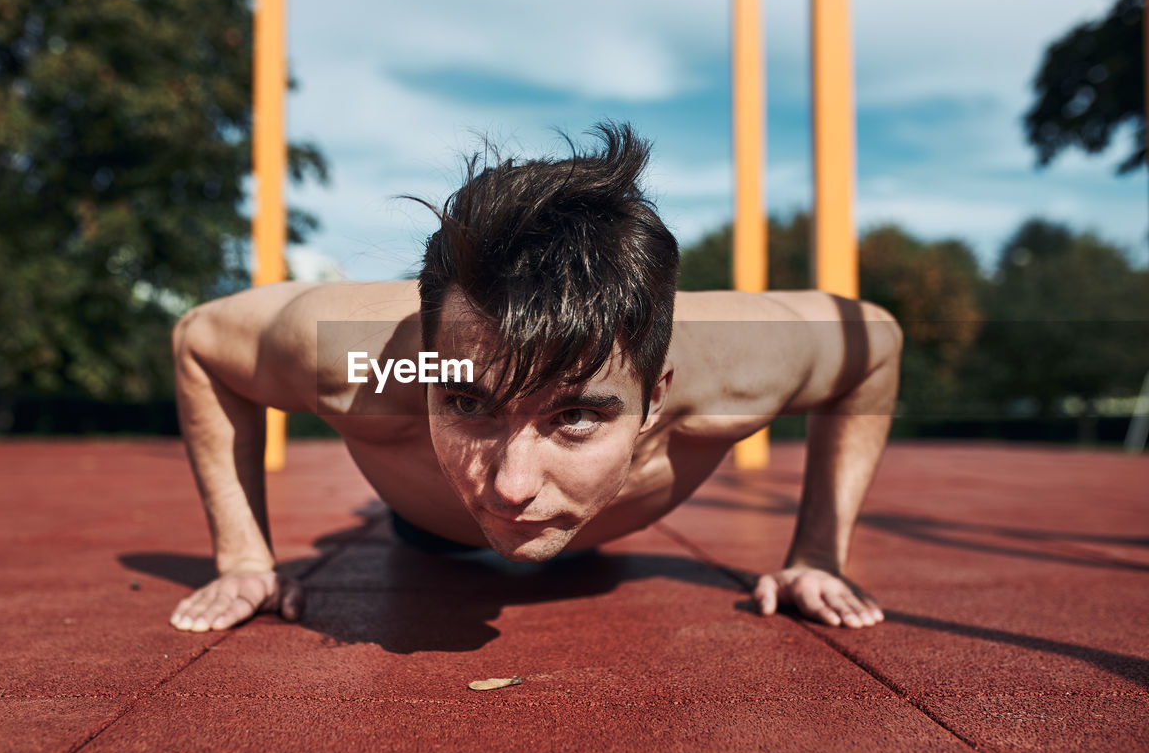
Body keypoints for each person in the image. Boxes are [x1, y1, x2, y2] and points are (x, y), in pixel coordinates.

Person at [169, 122, 900, 634]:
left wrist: (816, 554)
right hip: (429, 530)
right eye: (466, 402)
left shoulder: (740, 366)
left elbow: (878, 342)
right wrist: (243, 556)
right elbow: (200, 340)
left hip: (600, 531)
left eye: (576, 416)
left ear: (659, 395)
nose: (512, 486)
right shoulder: (358, 362)